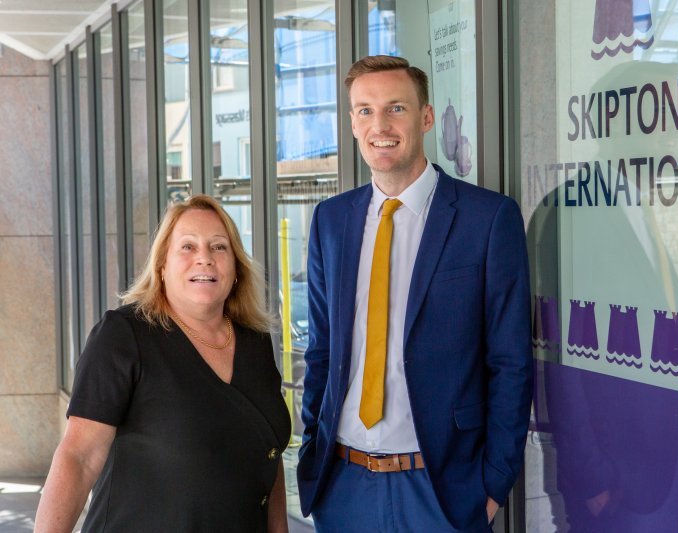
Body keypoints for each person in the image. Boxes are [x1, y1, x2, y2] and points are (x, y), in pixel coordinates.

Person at [297, 55, 533, 532]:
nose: (379, 125)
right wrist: (311, 451)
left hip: (441, 491)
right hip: (343, 488)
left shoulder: (486, 219)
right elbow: (321, 352)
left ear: (426, 116)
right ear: (351, 122)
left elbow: (510, 361)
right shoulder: (331, 221)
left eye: (395, 108)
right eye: (364, 110)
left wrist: (493, 484)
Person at [35, 195, 291, 532]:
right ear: (162, 267)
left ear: (236, 270)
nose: (205, 258)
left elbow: (267, 458)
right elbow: (78, 459)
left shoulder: (254, 342)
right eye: (187, 246)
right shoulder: (123, 335)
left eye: (219, 247)